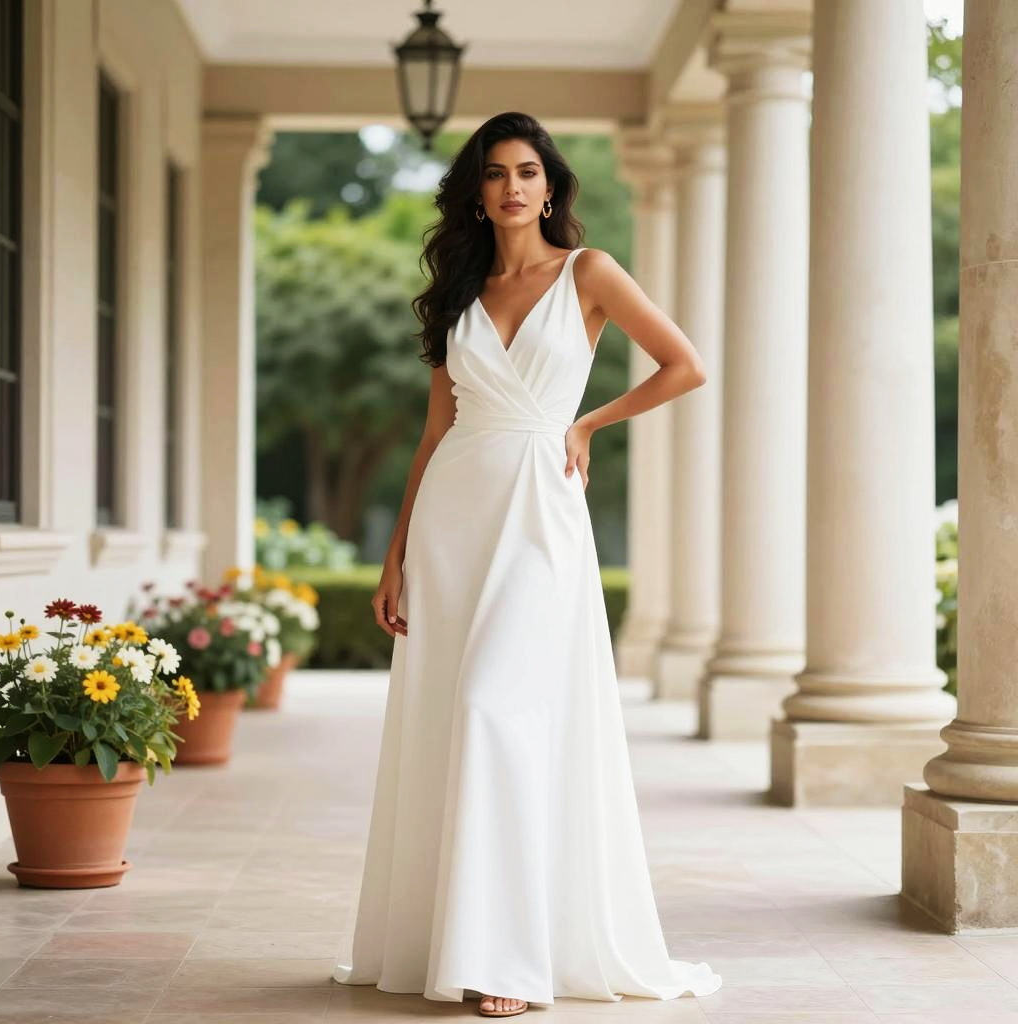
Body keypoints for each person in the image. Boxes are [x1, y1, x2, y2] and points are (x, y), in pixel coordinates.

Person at [333, 111, 722, 1017]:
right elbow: (435, 433)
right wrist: (394, 556)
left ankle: (509, 959)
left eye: (528, 172)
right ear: (476, 192)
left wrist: (587, 423)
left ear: (550, 187)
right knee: (452, 718)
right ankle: (459, 943)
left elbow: (684, 365)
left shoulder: (589, 272)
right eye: (495, 173)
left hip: (541, 511)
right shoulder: (458, 293)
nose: (512, 187)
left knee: (496, 708)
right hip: (454, 517)